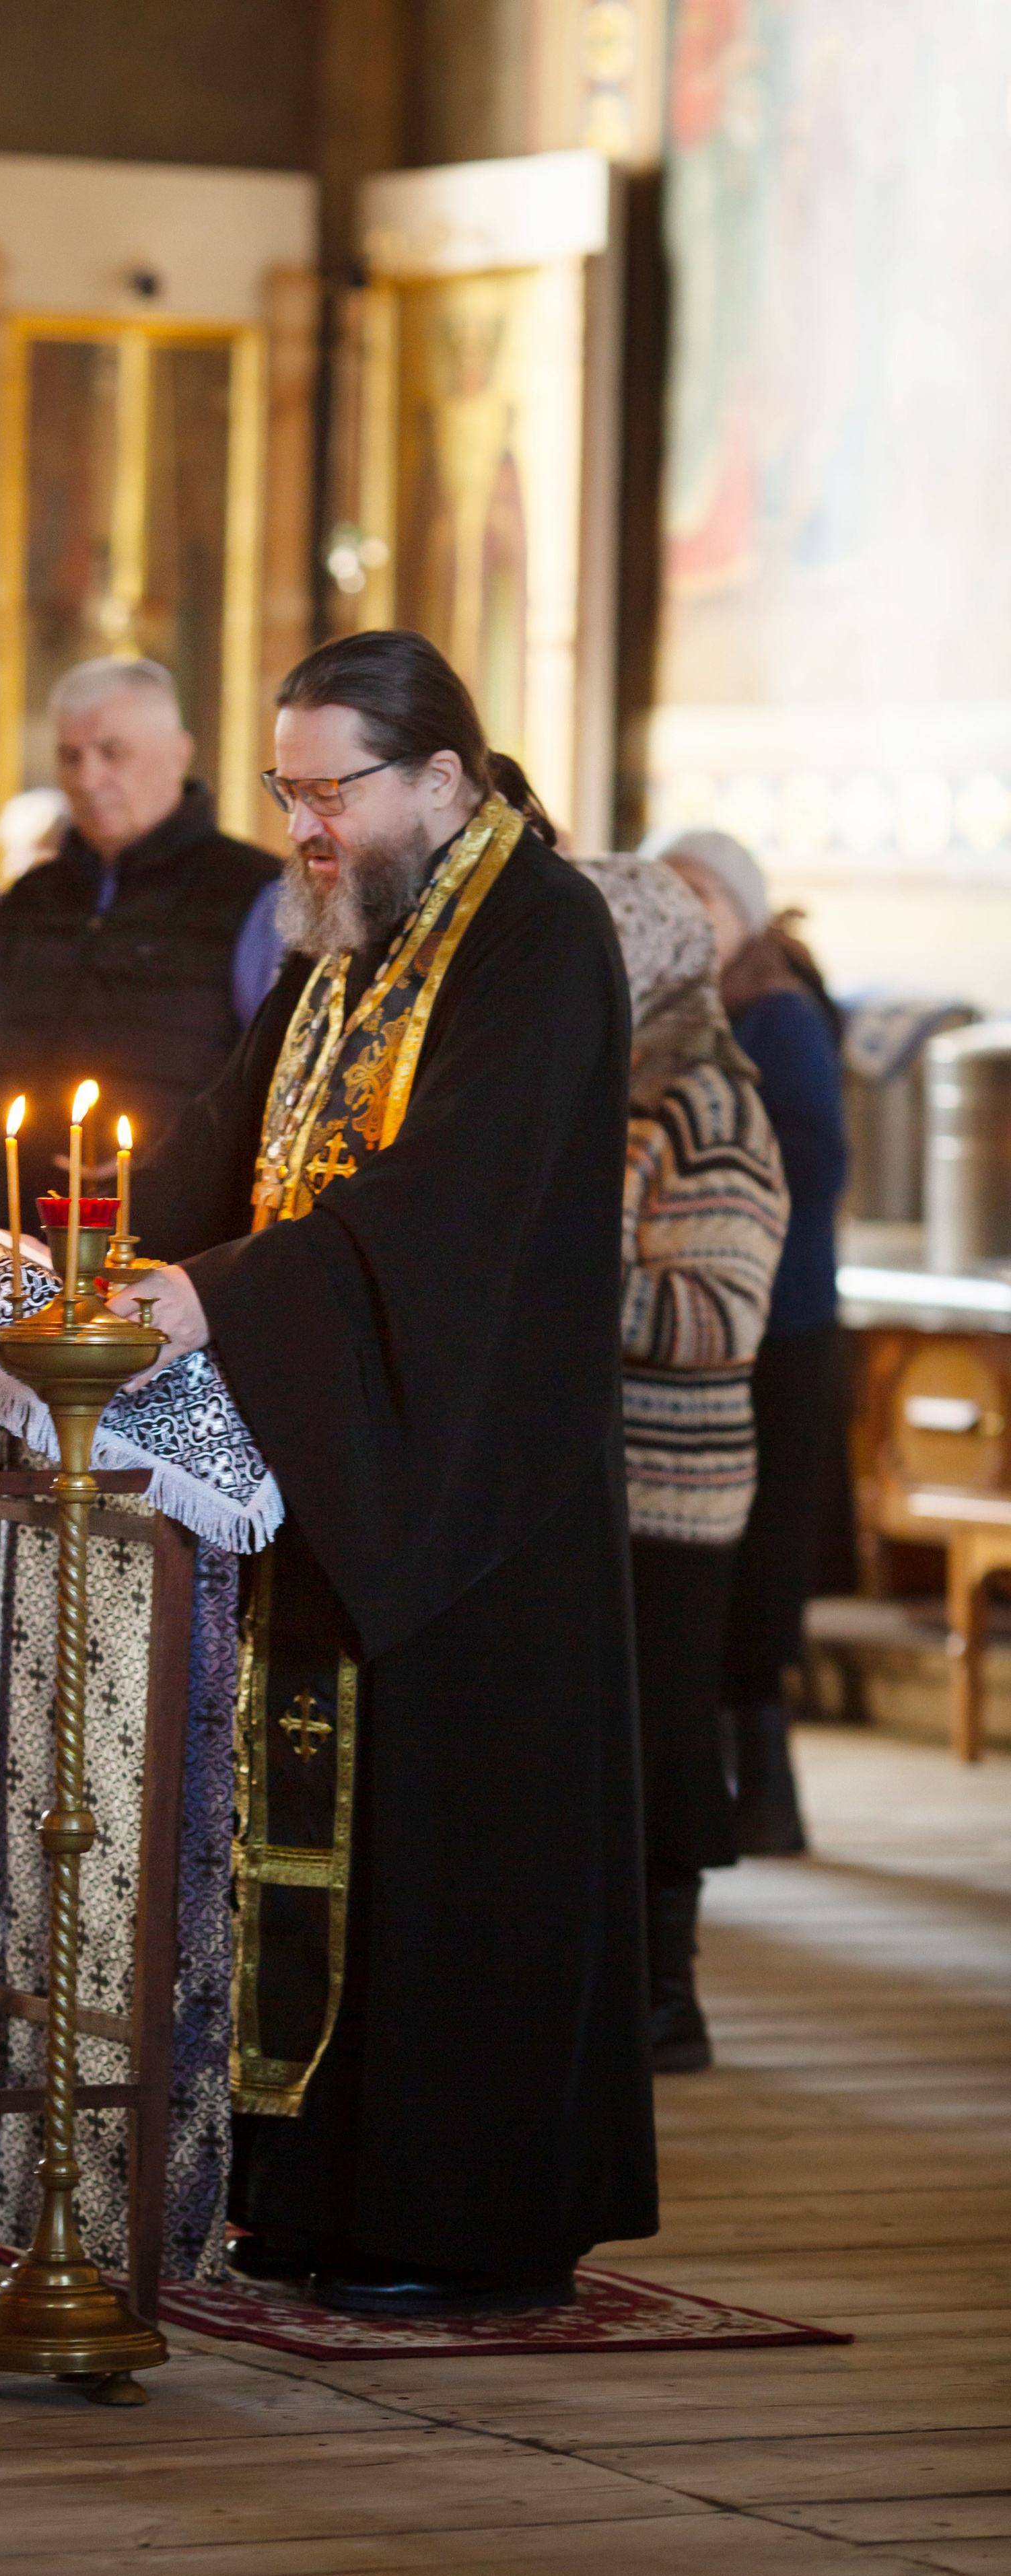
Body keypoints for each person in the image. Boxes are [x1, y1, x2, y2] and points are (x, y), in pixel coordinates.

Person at [120, 630, 658, 2316]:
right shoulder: (348, 940)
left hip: (474, 1484)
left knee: (451, 1851)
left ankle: (454, 2217)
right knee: (323, 1851)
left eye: (327, 788)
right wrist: (69, 1244)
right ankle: (308, 2190)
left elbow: (453, 1204)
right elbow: (220, 1130)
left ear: (439, 778)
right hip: (344, 1461)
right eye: (283, 787)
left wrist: (218, 1294)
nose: (302, 824)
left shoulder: (535, 933)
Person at [584, 859, 788, 2073]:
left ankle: (670, 1995)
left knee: (660, 1730)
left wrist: (557, 1283)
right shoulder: (615, 1085)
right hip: (602, 1469)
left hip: (673, 1480)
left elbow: (720, 1316)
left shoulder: (708, 1101)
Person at [642, 826, 848, 1854]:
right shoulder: (664, 1025)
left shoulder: (775, 1015)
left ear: (742, 912)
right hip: (689, 1334)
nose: (685, 925)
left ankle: (767, 1777)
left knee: (764, 1561)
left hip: (777, 1326)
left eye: (702, 905)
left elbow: (812, 1163)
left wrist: (715, 1213)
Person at [0, 658, 281, 1219]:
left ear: (178, 753)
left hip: (173, 1244)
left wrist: (176, 1163)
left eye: (113, 752)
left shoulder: (254, 893)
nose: (87, 778)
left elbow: (276, 1088)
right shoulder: (29, 900)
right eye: (70, 756)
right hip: (18, 1233)